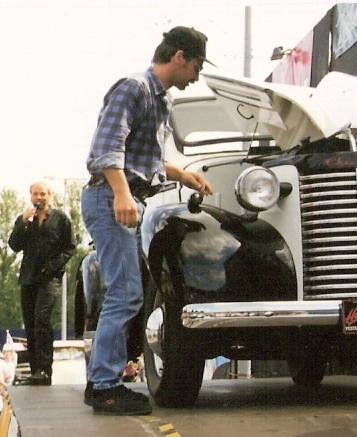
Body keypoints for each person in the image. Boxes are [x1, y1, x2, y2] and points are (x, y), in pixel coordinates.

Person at [81, 26, 214, 415]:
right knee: (124, 294)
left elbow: (148, 162)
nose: (197, 75)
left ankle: (108, 380)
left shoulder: (161, 103)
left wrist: (185, 175)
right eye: (196, 65)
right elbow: (106, 149)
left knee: (128, 294)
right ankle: (103, 386)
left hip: (126, 198)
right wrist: (122, 193)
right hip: (111, 198)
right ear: (178, 57)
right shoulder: (134, 88)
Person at [8, 182, 75, 386]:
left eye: (43, 194)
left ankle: (45, 370)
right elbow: (14, 245)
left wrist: (53, 267)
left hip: (49, 279)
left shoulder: (61, 218)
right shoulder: (26, 220)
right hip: (28, 278)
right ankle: (36, 371)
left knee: (42, 320)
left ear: (49, 195)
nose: (39, 197)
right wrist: (22, 222)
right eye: (35, 194)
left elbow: (70, 247)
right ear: (30, 196)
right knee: (30, 324)